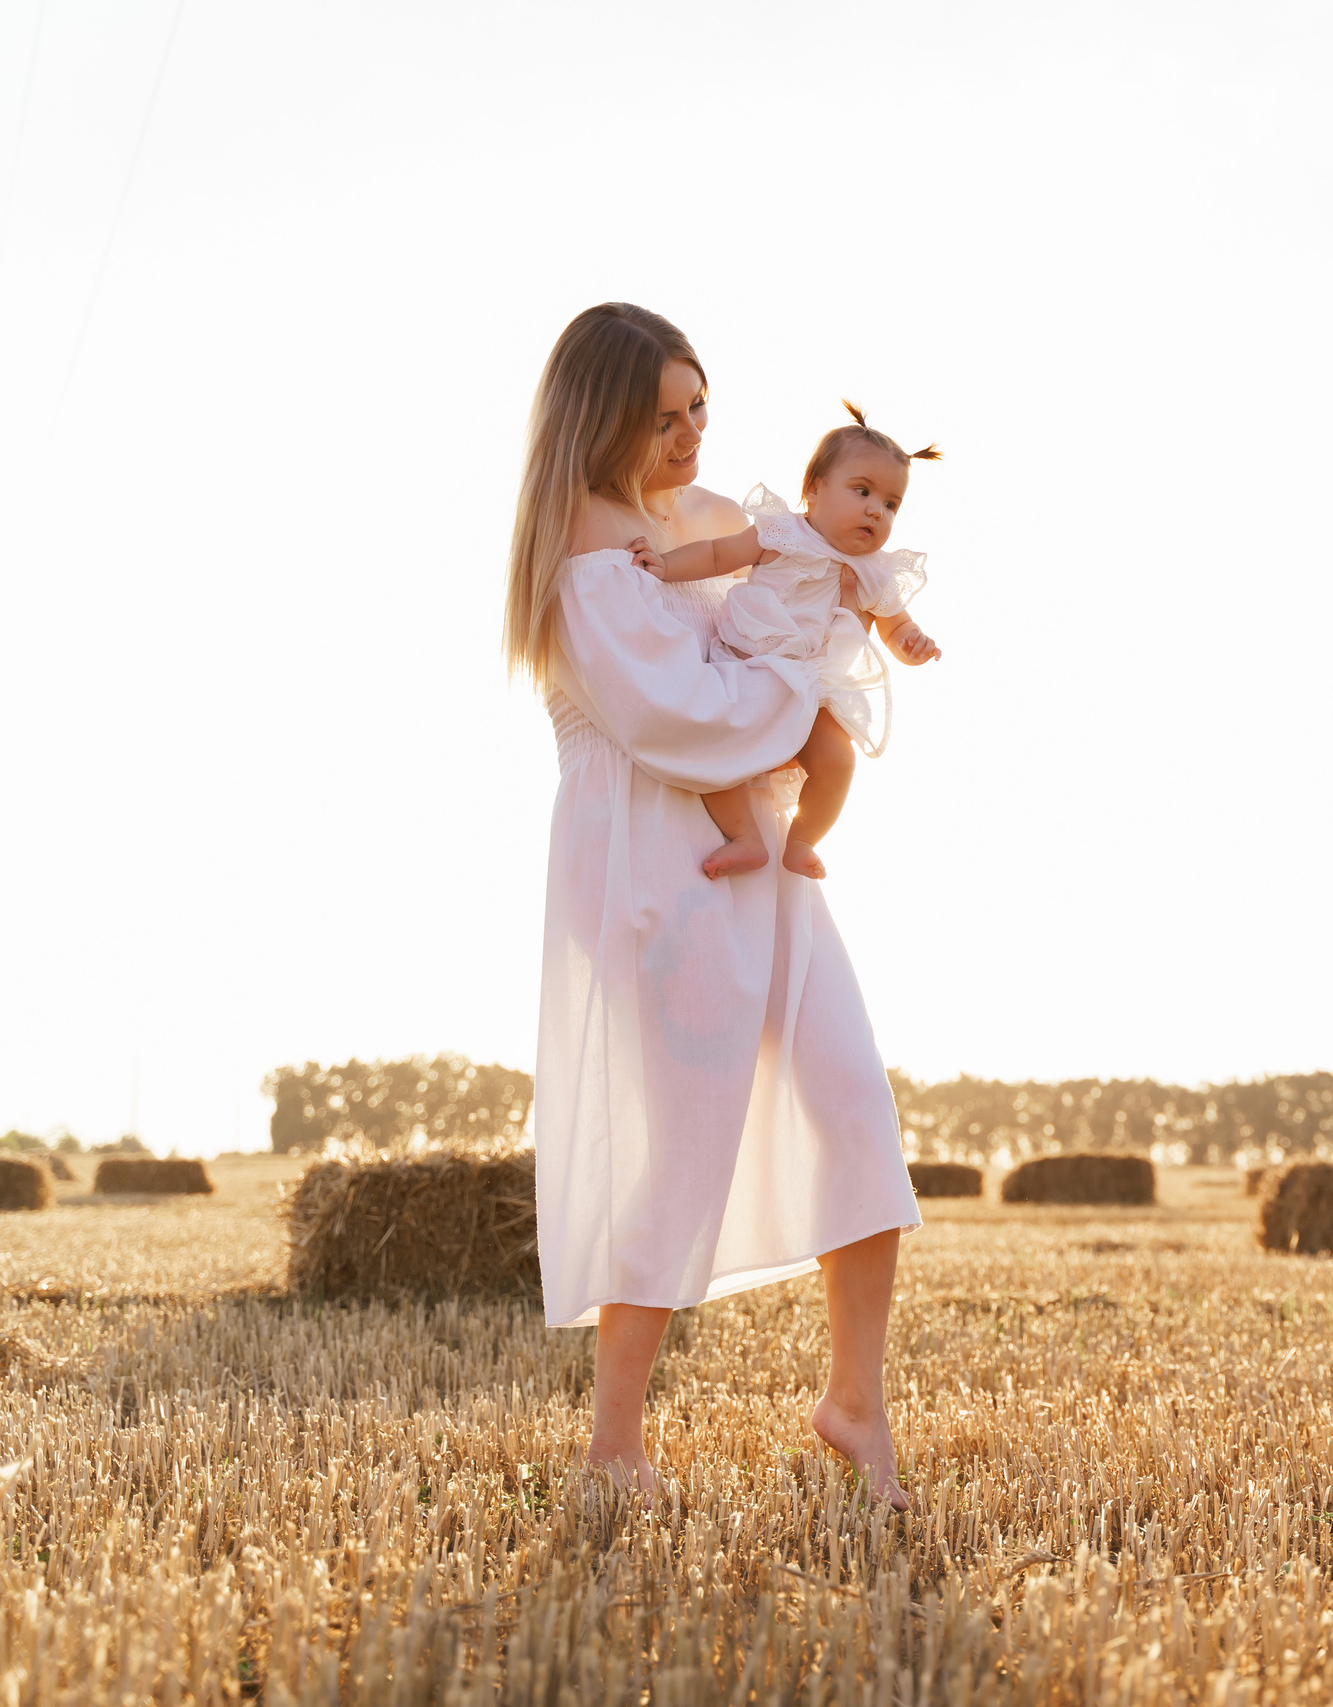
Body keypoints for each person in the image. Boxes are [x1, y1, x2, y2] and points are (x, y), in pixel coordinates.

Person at [503, 302, 922, 1506]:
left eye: (701, 410)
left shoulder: (694, 523)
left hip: (764, 850)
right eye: (666, 417)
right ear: (604, 421)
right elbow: (682, 719)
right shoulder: (584, 555)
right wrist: (805, 692)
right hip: (656, 862)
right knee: (679, 1139)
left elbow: (781, 612)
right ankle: (616, 1444)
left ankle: (853, 1403)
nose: (692, 436)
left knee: (853, 1100)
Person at [630, 403, 945, 881]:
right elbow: (718, 554)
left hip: (814, 688)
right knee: (715, 745)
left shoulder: (875, 572)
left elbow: (894, 626)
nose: (875, 511)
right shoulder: (783, 534)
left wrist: (913, 643)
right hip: (751, 666)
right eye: (862, 491)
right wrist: (667, 565)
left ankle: (801, 839)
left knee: (838, 760)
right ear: (814, 490)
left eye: (890, 504)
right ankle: (745, 838)